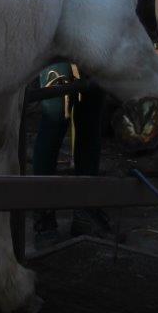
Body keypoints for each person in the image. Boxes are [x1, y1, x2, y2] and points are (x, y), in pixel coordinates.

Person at [31, 63, 117, 246]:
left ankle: (86, 212)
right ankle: (43, 215)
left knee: (90, 127)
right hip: (58, 53)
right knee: (53, 124)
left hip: (93, 51)